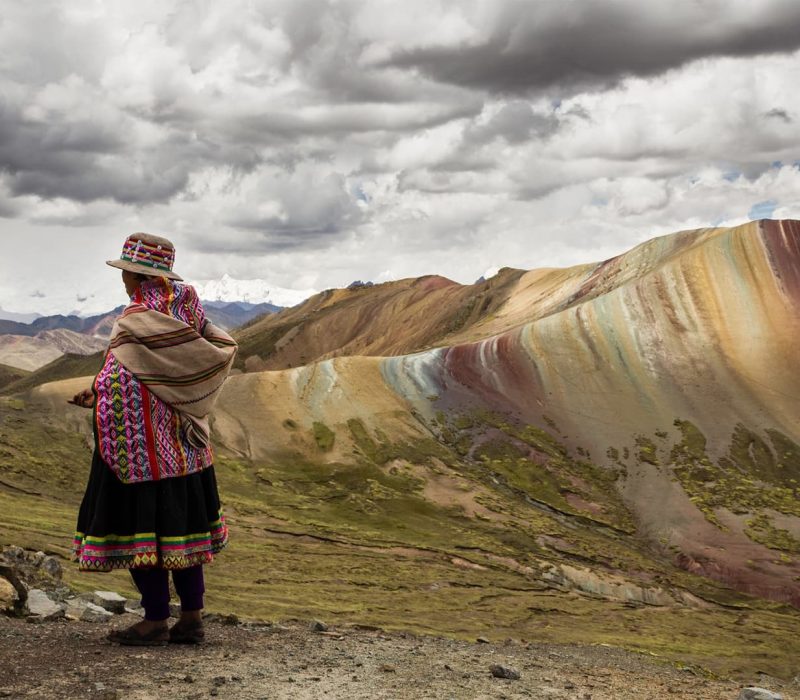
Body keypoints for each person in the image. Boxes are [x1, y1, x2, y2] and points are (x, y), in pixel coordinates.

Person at [70, 233, 237, 646]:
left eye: (125, 272)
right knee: (183, 532)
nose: (123, 280)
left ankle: (155, 620)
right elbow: (186, 368)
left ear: (133, 273)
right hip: (186, 450)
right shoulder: (188, 313)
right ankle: (192, 617)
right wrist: (102, 387)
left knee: (141, 531)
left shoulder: (137, 320)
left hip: (138, 457)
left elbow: (125, 382)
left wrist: (100, 396)